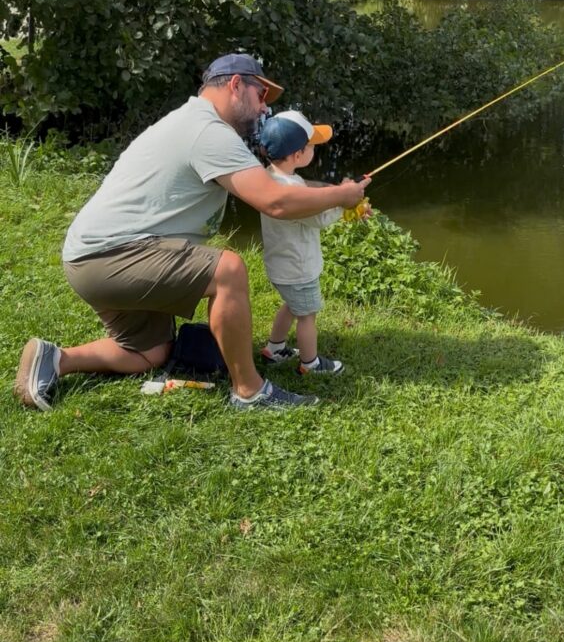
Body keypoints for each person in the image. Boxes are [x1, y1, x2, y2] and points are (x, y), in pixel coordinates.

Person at [14, 53, 370, 413]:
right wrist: (341, 195)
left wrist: (332, 193)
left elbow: (280, 182)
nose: (264, 109)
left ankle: (56, 359)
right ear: (235, 85)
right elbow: (275, 201)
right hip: (109, 256)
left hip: (93, 257)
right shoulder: (209, 132)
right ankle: (250, 391)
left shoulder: (197, 123)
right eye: (261, 95)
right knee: (228, 269)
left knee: (149, 353)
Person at [259, 111, 366, 376]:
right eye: (311, 146)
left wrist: (340, 193)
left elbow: (309, 193)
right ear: (297, 155)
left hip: (281, 266)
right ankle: (310, 364)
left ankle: (274, 348)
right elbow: (318, 218)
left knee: (292, 306)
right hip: (298, 268)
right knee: (307, 316)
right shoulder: (293, 192)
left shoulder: (270, 178)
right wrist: (347, 205)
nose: (314, 149)